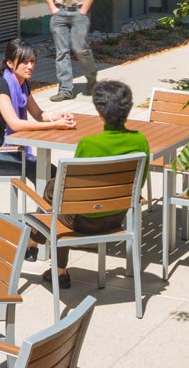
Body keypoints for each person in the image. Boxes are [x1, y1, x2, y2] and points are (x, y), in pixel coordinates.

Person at [53, 79, 149, 285]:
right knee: (56, 192)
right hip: (116, 218)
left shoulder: (88, 144)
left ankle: (58, 269)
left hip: (84, 221)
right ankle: (36, 246)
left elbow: (73, 189)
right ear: (129, 108)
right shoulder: (140, 141)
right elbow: (139, 185)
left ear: (98, 111)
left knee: (54, 194)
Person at [0, 39, 75, 178]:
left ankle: (48, 200)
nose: (30, 66)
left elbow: (39, 114)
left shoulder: (22, 85)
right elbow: (14, 124)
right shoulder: (1, 87)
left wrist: (56, 117)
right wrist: (54, 126)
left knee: (46, 170)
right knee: (43, 170)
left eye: (32, 61)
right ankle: (48, 200)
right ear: (10, 63)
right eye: (24, 62)